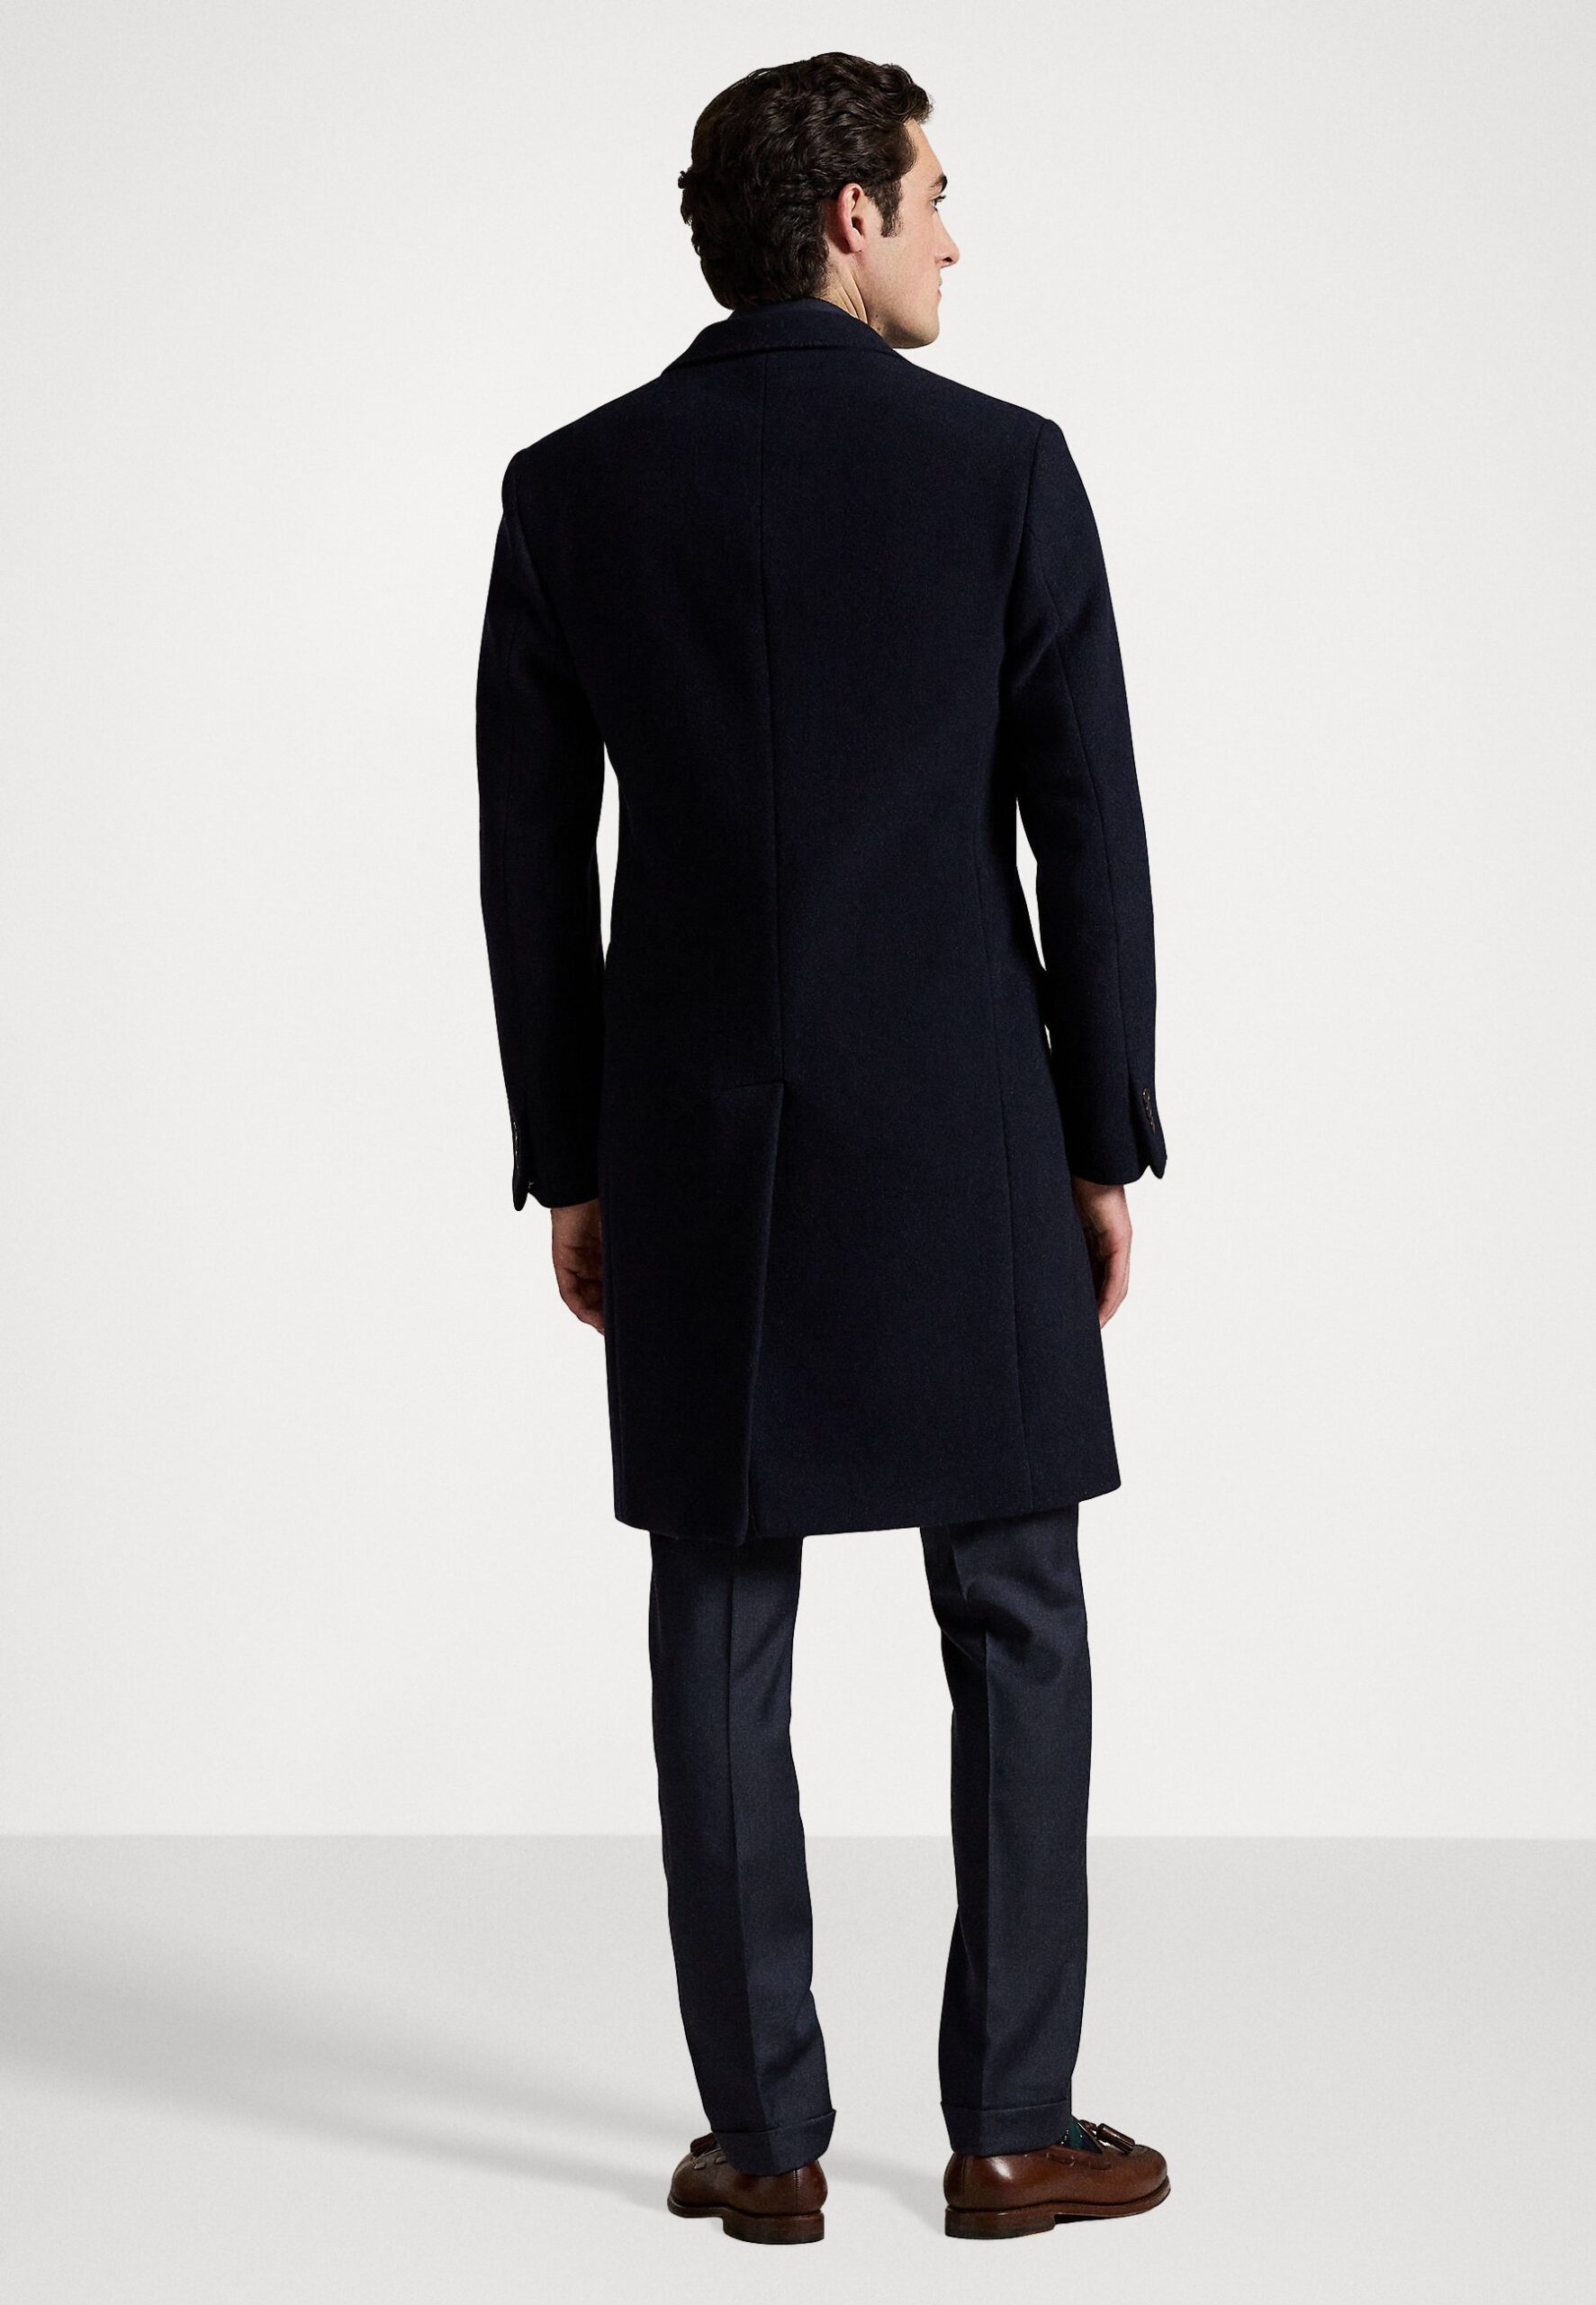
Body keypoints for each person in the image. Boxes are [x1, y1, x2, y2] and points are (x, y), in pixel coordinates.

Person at [474, 50, 1170, 2246]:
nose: (954, 233)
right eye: (933, 193)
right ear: (850, 214)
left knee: (715, 1609)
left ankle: (765, 2139)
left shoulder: (572, 487)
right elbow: (1087, 830)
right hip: (963, 1123)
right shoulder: (1001, 469)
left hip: (695, 1138)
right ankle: (1010, 2124)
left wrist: (568, 1154)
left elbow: (530, 860)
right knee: (1015, 1608)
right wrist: (1099, 1130)